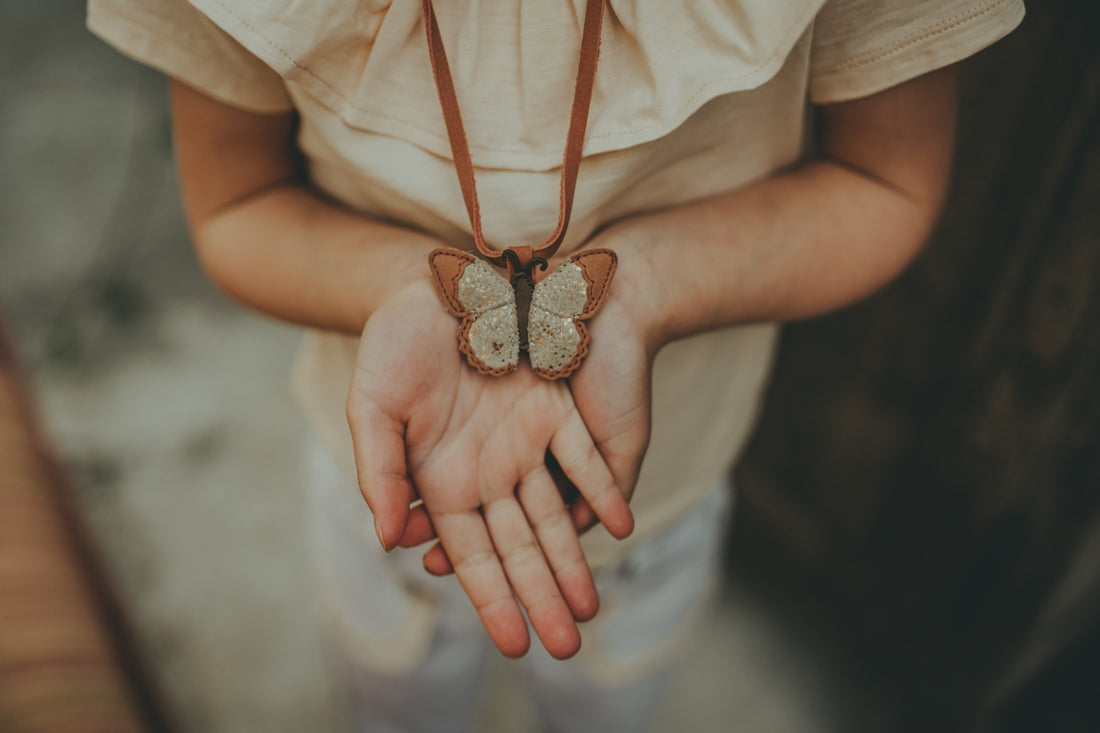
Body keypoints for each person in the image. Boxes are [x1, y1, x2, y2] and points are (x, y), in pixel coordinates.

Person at [88, 0, 1025, 730]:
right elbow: (235, 206)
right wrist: (397, 286)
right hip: (385, 487)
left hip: (660, 492)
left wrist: (651, 287)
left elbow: (885, 182)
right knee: (392, 693)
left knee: (608, 704)